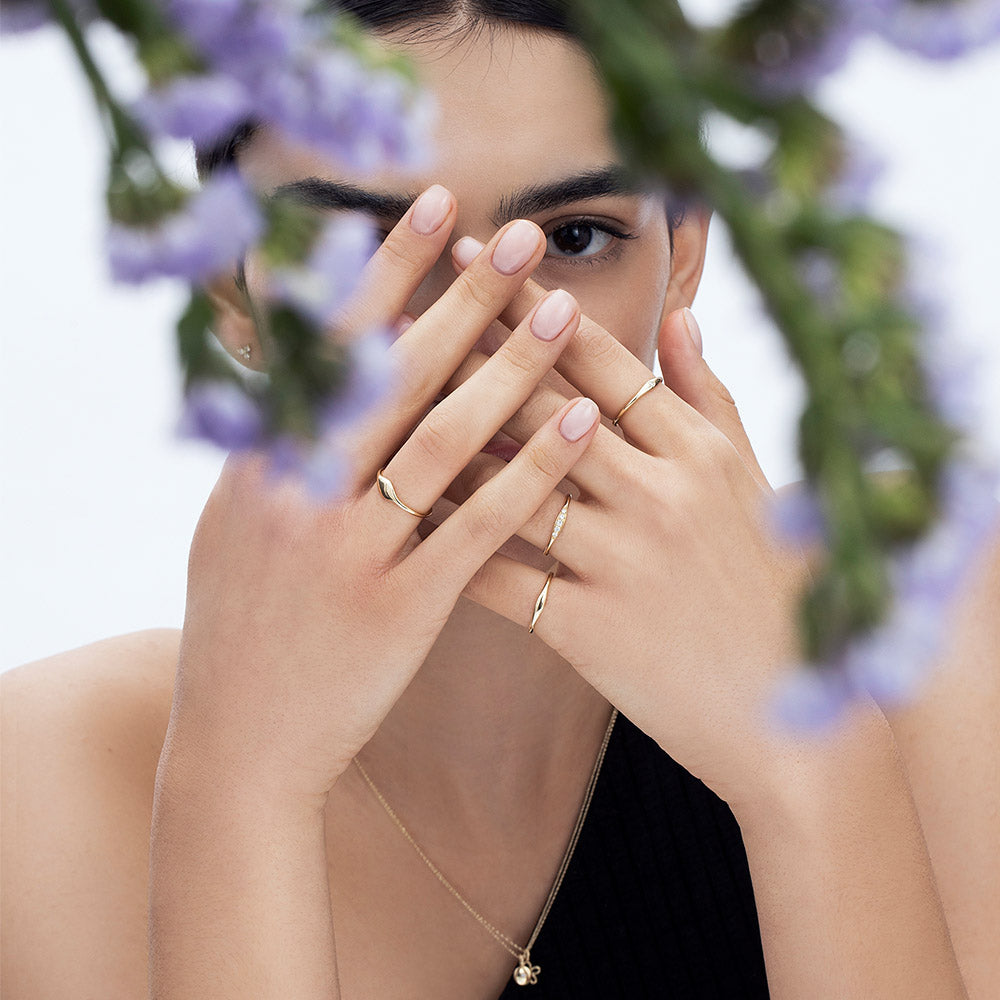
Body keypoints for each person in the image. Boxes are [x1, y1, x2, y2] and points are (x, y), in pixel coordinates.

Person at [2, 2, 998, 998]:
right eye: (361, 248)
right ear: (230, 288)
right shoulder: (46, 783)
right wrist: (239, 784)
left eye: (572, 236)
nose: (480, 342)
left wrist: (812, 773)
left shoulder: (921, 615)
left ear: (681, 254)